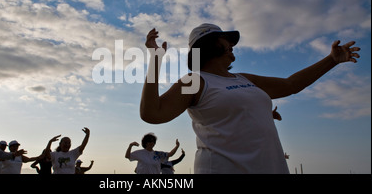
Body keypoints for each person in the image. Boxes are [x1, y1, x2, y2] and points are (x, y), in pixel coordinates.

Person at [140, 24, 360, 174]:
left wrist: (332, 60)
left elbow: (291, 85)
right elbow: (152, 113)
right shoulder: (195, 81)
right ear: (208, 45)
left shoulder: (244, 78)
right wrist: (156, 60)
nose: (231, 44)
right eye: (224, 40)